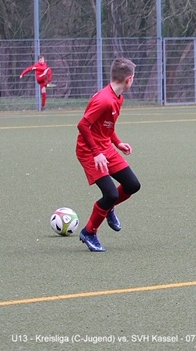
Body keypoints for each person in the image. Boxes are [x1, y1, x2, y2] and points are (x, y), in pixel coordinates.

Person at [76, 58, 141, 252]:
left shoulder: (118, 97)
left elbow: (106, 126)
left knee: (132, 185)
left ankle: (108, 207)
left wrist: (118, 142)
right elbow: (83, 125)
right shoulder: (104, 100)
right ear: (129, 79)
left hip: (105, 147)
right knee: (111, 194)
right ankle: (89, 232)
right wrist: (96, 153)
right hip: (89, 151)